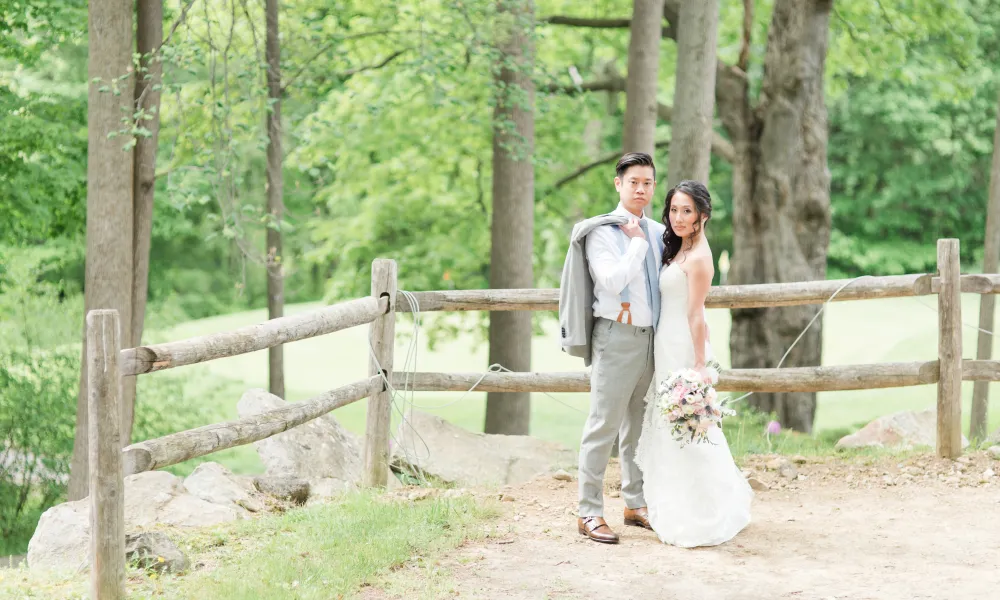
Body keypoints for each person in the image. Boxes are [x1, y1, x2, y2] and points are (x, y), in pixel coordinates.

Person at [634, 179, 753, 548]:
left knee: (689, 428)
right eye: (673, 210)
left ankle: (705, 509)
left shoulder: (700, 257)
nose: (679, 217)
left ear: (702, 214)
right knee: (670, 428)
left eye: (687, 211)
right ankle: (672, 502)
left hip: (683, 347)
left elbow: (697, 314)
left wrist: (699, 366)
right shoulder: (680, 249)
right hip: (665, 343)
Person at [559, 152, 665, 544]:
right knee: (603, 424)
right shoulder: (602, 232)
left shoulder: (658, 231)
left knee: (639, 426)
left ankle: (635, 504)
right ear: (617, 184)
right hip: (616, 337)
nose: (641, 189)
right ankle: (588, 512)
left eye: (648, 183)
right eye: (633, 181)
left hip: (652, 339)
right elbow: (610, 280)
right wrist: (635, 244)